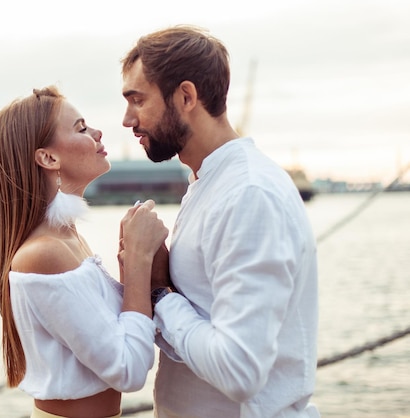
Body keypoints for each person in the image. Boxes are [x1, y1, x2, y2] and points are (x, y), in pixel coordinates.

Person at [120, 26, 320, 417]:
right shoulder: (209, 183)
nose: (128, 120)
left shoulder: (248, 194)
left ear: (186, 96)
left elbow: (238, 370)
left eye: (137, 100)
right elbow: (201, 328)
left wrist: (161, 293)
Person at [0, 86, 168, 418]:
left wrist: (130, 261)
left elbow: (119, 339)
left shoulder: (68, 241)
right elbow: (127, 370)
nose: (98, 132)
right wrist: (139, 261)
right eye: (81, 128)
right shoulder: (44, 254)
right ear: (48, 158)